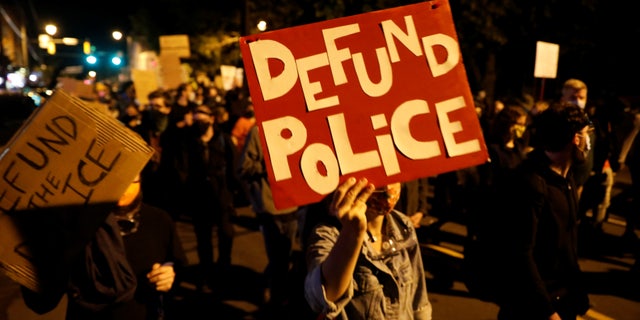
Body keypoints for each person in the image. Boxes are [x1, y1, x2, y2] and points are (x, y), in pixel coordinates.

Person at [21, 175, 187, 320]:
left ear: (141, 179)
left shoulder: (159, 220)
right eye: (118, 178)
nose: (123, 186)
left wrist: (168, 274)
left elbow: (176, 265)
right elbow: (44, 297)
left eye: (131, 178)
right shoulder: (77, 223)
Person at [491, 103, 591, 320]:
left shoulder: (567, 179)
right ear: (575, 139)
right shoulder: (530, 183)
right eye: (585, 134)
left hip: (562, 299)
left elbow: (566, 243)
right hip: (530, 306)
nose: (588, 141)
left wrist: (578, 294)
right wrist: (547, 311)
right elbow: (520, 253)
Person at [304, 178, 432, 319]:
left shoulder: (403, 225)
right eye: (378, 177)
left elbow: (419, 302)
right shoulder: (328, 234)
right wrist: (352, 233)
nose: (388, 186)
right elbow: (323, 297)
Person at [237, 124, 302, 313]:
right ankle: (276, 298)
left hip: (293, 202)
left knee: (285, 254)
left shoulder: (295, 125)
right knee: (278, 257)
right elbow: (243, 168)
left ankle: (276, 291)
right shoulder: (258, 131)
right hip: (270, 205)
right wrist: (270, 163)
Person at [182, 104, 238, 292]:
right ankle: (205, 274)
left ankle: (224, 270)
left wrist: (233, 195)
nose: (199, 120)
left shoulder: (223, 140)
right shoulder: (189, 140)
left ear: (212, 118)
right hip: (200, 198)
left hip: (221, 197)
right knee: (203, 239)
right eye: (196, 117)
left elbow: (234, 167)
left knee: (226, 235)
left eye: (203, 116)